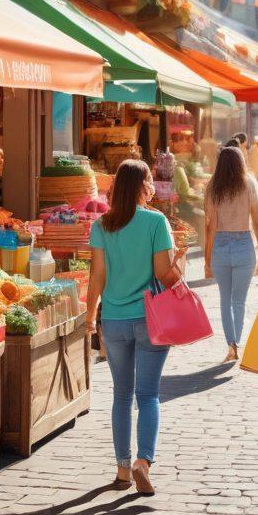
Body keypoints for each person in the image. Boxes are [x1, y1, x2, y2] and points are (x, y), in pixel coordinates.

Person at [87, 160, 180, 496]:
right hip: (150, 319)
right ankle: (144, 461)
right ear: (141, 186)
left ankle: (122, 469)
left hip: (113, 320)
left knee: (121, 396)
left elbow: (97, 276)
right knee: (149, 395)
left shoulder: (102, 225)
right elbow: (163, 273)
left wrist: (89, 317)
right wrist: (178, 262)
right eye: (150, 180)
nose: (153, 186)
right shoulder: (156, 221)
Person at [204, 145, 258, 362]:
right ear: (241, 162)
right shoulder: (249, 183)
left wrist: (207, 259)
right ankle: (236, 343)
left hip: (220, 245)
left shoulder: (212, 186)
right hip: (244, 245)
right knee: (239, 301)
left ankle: (231, 345)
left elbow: (210, 225)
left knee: (225, 299)